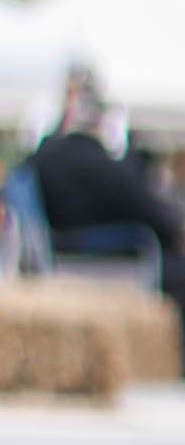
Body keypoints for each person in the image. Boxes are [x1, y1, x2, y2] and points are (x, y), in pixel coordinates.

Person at [18, 69, 185, 357]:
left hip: (60, 254)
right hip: (109, 256)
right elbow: (152, 213)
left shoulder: (40, 161)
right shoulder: (102, 165)